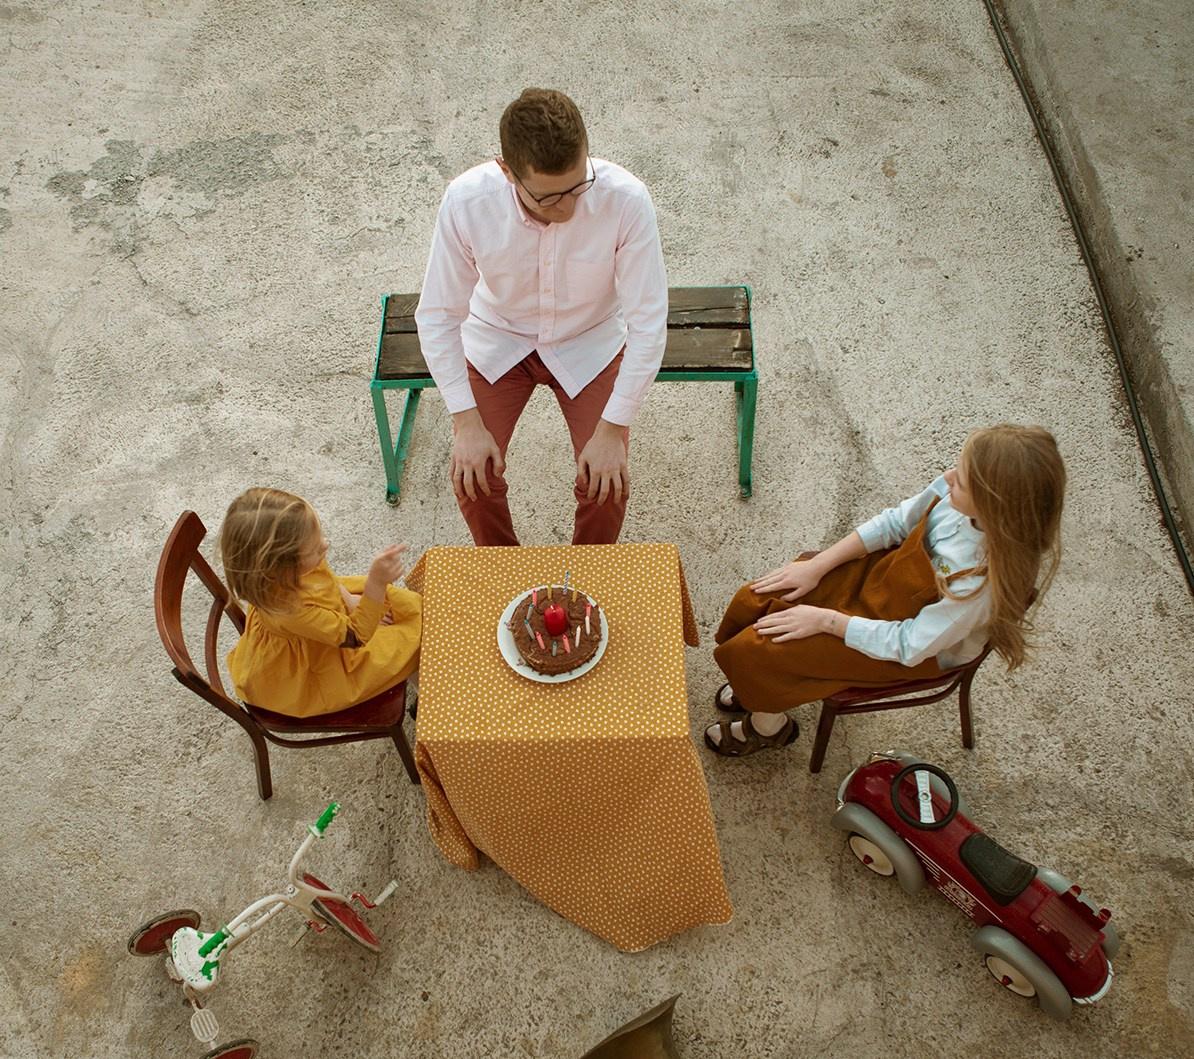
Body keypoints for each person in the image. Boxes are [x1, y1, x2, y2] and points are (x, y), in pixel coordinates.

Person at [705, 424, 1066, 756]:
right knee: (757, 597)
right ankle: (755, 687)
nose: (947, 477)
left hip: (908, 644)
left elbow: (910, 645)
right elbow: (895, 524)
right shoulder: (954, 496)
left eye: (963, 480)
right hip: (884, 580)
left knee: (768, 650)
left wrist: (825, 621)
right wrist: (818, 566)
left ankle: (768, 727)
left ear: (994, 506)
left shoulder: (980, 583)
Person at [415, 87, 668, 547]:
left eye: (577, 187)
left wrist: (613, 430)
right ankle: (508, 577)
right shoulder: (466, 201)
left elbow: (649, 324)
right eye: (548, 199)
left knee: (606, 485)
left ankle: (584, 585)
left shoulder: (627, 200)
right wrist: (466, 424)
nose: (568, 208)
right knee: (472, 477)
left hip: (589, 342)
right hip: (498, 339)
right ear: (507, 171)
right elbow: (436, 316)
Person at [219, 488, 421, 718]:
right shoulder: (290, 610)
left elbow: (327, 581)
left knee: (409, 609)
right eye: (315, 549)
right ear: (283, 567)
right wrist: (376, 584)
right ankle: (426, 699)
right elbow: (355, 636)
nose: (325, 546)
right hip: (319, 668)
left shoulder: (276, 576)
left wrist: (350, 599)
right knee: (415, 638)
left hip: (327, 623)